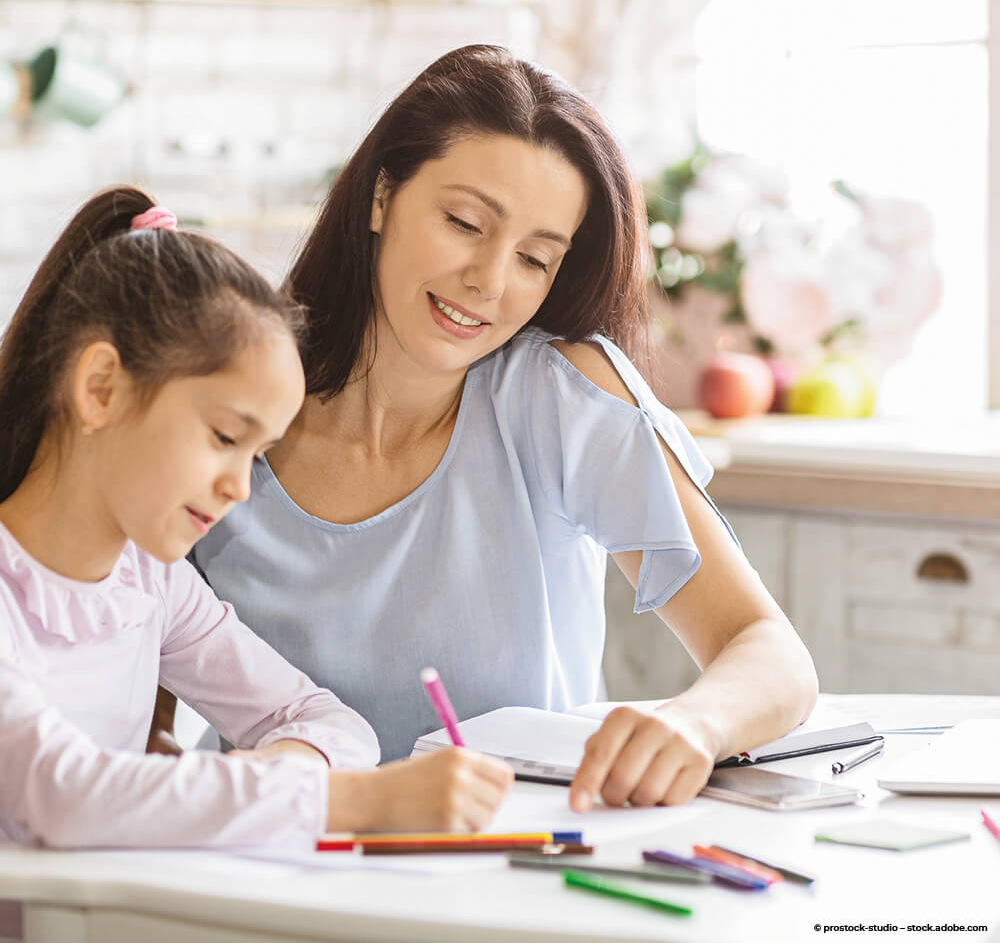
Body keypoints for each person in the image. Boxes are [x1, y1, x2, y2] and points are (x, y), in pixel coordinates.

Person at [190, 44, 819, 811]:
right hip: (269, 884)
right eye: (464, 222)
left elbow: (772, 654)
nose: (489, 280)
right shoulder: (226, 417)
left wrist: (696, 722)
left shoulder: (558, 400)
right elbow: (139, 723)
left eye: (535, 258)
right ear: (383, 196)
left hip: (513, 877)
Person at [0, 186, 514, 857]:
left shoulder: (151, 583)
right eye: (223, 436)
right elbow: (61, 796)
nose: (238, 488)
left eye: (258, 455)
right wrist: (352, 801)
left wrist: (257, 781)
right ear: (101, 388)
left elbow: (327, 722)